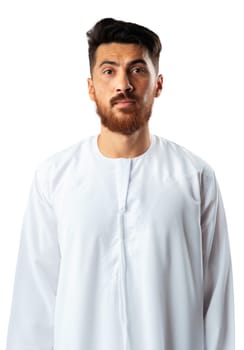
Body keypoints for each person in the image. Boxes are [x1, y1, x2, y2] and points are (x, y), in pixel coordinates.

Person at [6, 18, 235, 350]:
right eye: (109, 71)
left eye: (138, 70)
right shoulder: (55, 178)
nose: (123, 85)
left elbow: (217, 305)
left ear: (158, 84)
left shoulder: (194, 178)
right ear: (91, 87)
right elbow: (34, 302)